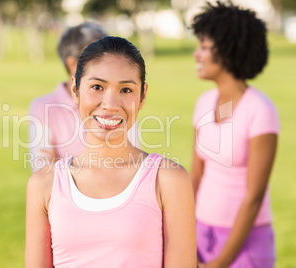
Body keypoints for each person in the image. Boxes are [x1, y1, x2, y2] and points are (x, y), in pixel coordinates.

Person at [25, 36, 196, 267]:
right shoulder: (44, 184)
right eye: (97, 87)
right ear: (75, 89)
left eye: (126, 89)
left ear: (142, 96)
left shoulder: (169, 180)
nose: (111, 104)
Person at [190, 2, 279, 267]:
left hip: (245, 245)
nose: (196, 55)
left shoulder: (260, 110)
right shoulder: (204, 102)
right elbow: (195, 175)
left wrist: (221, 262)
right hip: (200, 232)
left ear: (228, 51)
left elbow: (254, 196)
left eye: (204, 47)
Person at [28, 23, 140, 172]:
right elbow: (42, 167)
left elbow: (132, 161)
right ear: (72, 64)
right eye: (96, 59)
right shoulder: (43, 107)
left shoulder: (119, 103)